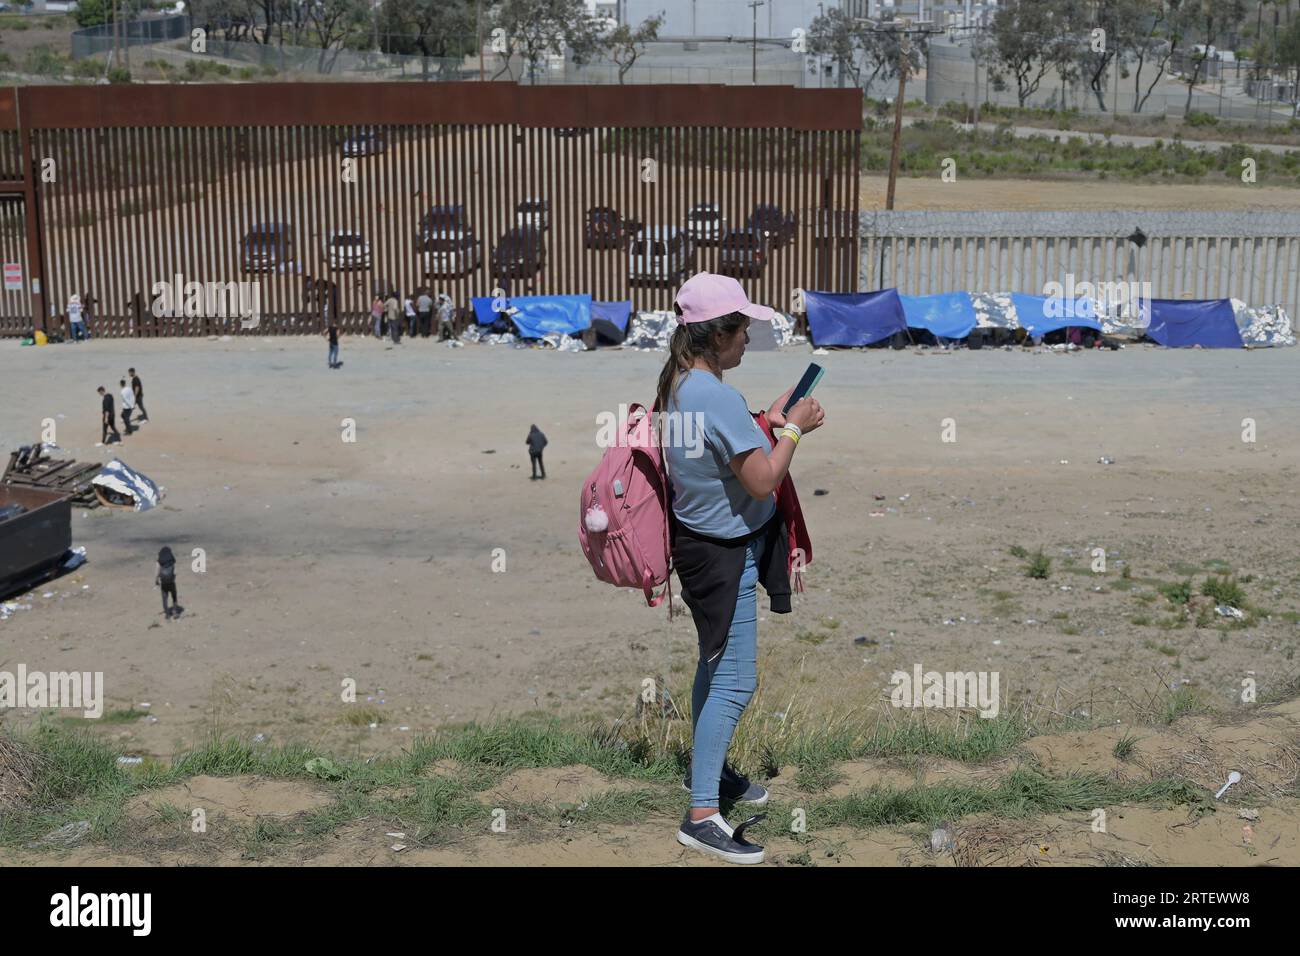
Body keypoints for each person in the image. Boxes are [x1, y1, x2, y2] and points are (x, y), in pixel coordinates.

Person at [658, 272, 824, 865]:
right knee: (736, 680)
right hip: (724, 555)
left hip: (699, 547)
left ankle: (711, 776)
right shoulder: (714, 396)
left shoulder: (680, 384)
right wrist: (792, 431)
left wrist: (766, 419)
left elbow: (719, 453)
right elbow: (761, 478)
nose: (749, 338)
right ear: (718, 334)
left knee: (714, 664)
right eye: (744, 329)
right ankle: (702, 815)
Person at [156, 546, 181, 620]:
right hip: (171, 582)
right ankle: (175, 611)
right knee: (174, 596)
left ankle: (167, 614)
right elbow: (176, 571)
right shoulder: (172, 559)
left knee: (164, 598)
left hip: (163, 583)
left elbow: (157, 571)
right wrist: (173, 577)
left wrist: (156, 580)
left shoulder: (159, 560)